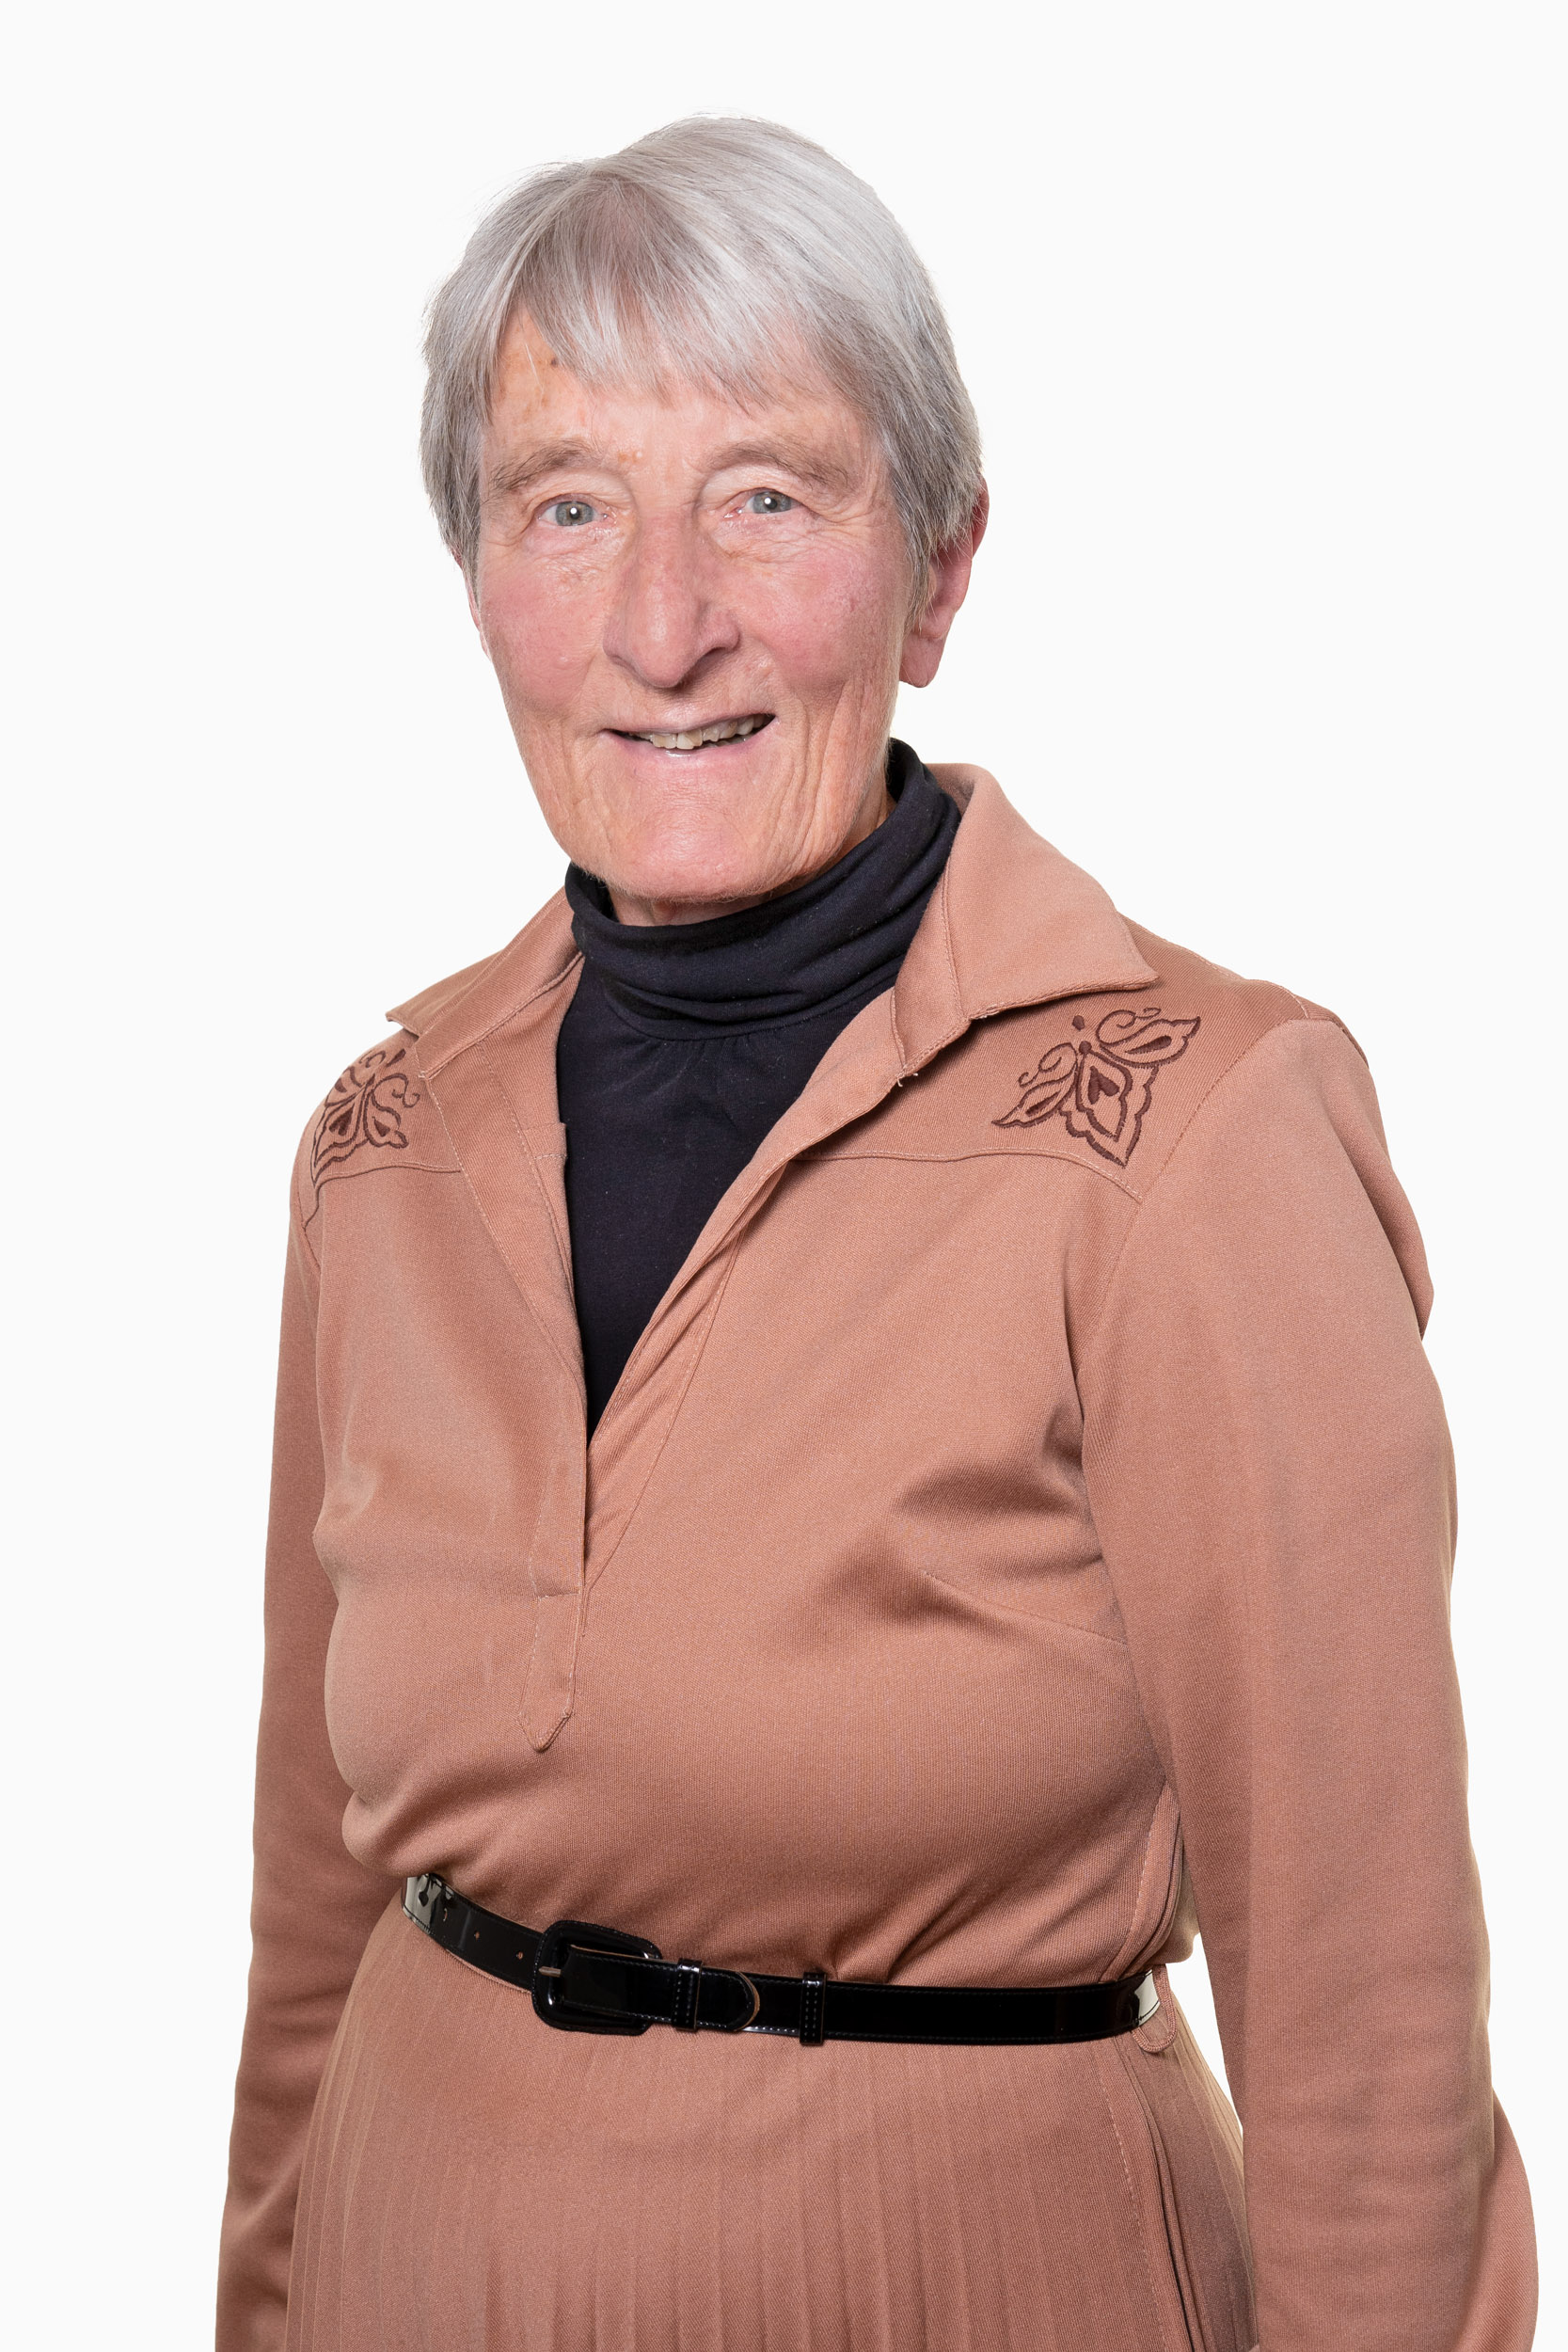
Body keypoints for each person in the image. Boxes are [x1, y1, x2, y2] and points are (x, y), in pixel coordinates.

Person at [217, 117, 1536, 2352]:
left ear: (938, 571)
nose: (664, 625)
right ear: (477, 577)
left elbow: (1369, 2026)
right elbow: (308, 1913)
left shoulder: (1194, 1139)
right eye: (567, 507)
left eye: (767, 495)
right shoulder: (381, 1145)